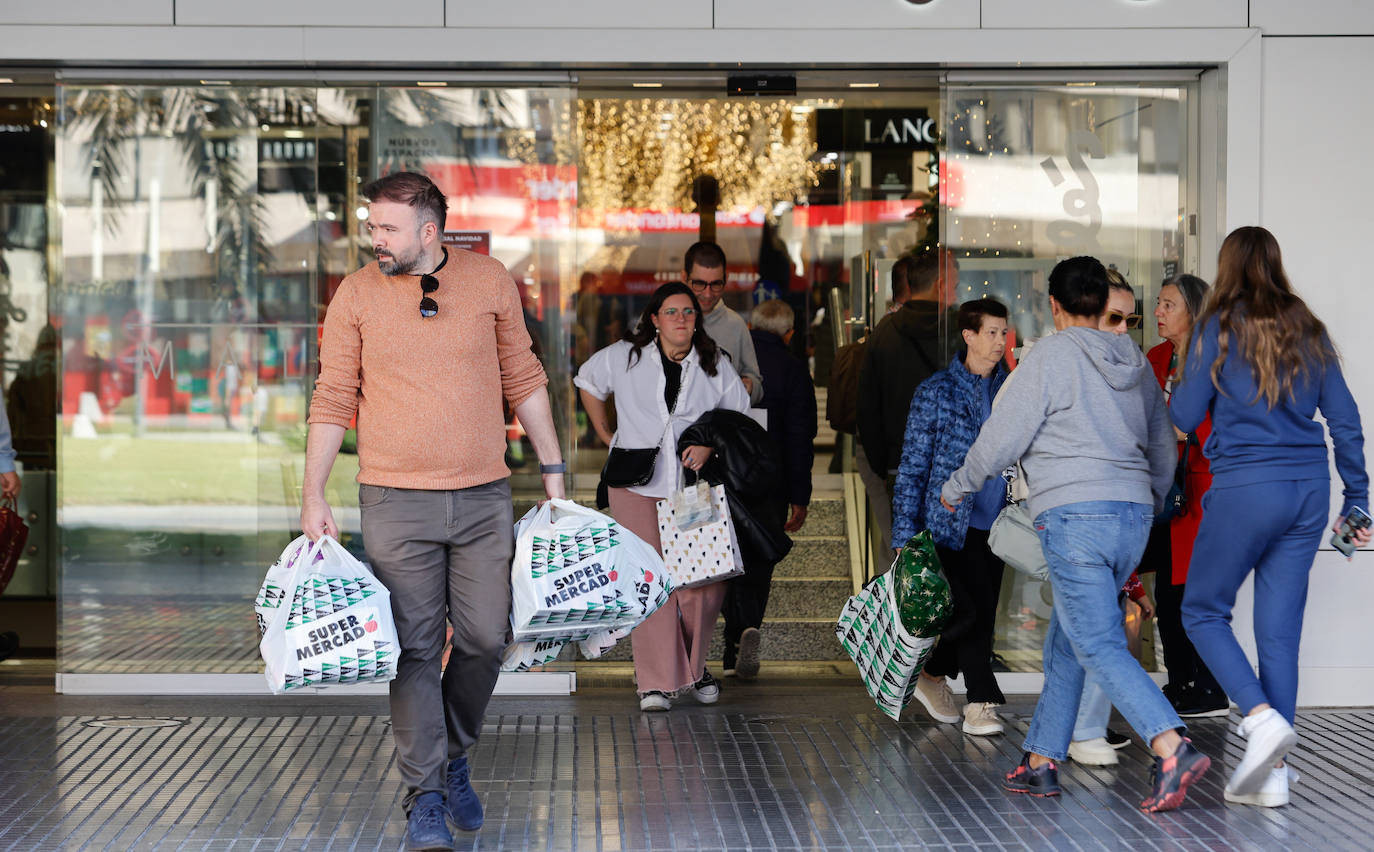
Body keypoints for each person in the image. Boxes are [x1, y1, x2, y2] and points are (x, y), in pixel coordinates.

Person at [302, 171, 566, 851]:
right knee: (416, 650)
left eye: (387, 228)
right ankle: (424, 793)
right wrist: (314, 494)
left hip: (482, 496)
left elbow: (525, 378)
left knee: (485, 637)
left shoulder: (489, 281)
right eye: (372, 225)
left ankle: (450, 753)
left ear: (429, 230)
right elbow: (333, 399)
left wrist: (555, 472)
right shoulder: (356, 294)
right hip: (394, 500)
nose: (374, 238)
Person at [941, 256, 1210, 813]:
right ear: (1102, 304)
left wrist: (958, 486)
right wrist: (1152, 499)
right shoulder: (1134, 360)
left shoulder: (1049, 358)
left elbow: (1000, 439)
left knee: (1095, 639)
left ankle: (1169, 742)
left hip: (1075, 517)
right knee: (1069, 636)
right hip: (1130, 517)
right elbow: (1162, 443)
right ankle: (1040, 762)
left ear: (1055, 305)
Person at [1175, 226, 1370, 808]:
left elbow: (1184, 414)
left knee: (1203, 610)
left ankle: (1260, 721)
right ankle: (1273, 774)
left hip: (1245, 487)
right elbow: (1346, 419)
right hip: (1308, 489)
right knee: (1279, 636)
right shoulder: (1308, 328)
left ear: (1227, 266)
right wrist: (1356, 497)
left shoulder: (1217, 327)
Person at [575, 281, 751, 712]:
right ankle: (654, 682)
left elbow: (740, 413)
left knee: (702, 588)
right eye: (671, 312)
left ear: (697, 320)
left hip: (693, 490)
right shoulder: (625, 355)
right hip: (634, 488)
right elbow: (586, 381)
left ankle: (693, 668)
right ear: (654, 318)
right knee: (651, 585)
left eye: (688, 312)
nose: (681, 319)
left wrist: (710, 443)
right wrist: (605, 434)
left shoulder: (714, 363)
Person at [891, 298, 1010, 737]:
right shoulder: (936, 390)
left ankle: (932, 673)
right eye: (991, 332)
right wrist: (904, 533)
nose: (999, 341)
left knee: (978, 611)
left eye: (1004, 333)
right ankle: (981, 704)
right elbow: (913, 465)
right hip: (947, 523)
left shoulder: (1011, 389)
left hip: (997, 523)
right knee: (970, 613)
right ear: (969, 335)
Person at [1067, 273, 1157, 766]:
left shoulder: (1135, 369)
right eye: (1114, 318)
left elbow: (1156, 441)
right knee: (1097, 629)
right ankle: (1155, 735)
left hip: (1117, 517)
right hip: (1073, 517)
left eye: (1132, 319)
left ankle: (1062, 738)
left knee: (1082, 629)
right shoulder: (1062, 363)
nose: (1124, 329)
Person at [721, 298, 817, 679]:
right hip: (772, 485)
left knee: (727, 559)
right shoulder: (794, 371)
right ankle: (748, 628)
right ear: (790, 334)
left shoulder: (730, 364)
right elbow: (800, 437)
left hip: (729, 478)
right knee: (760, 561)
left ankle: (732, 642)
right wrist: (800, 496)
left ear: (749, 328)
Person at [1147, 273, 1228, 719]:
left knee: (1190, 594)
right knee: (1166, 593)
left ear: (1194, 311)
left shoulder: (1214, 361)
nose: (1158, 312)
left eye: (1168, 305)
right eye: (1159, 304)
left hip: (1202, 491)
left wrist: (1181, 428)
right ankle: (1182, 681)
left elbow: (1217, 426)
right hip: (1161, 491)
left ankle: (1206, 688)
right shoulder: (1156, 357)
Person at [856, 250, 959, 551]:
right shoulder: (960, 331)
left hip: (899, 467)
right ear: (940, 285)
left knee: (909, 560)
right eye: (954, 285)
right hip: (954, 472)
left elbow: (867, 409)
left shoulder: (884, 333)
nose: (955, 293)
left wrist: (887, 464)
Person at [684, 241, 764, 406]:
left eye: (716, 284)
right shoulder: (661, 318)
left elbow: (756, 385)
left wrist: (749, 387)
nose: (707, 294)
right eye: (699, 284)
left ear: (725, 280)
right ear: (684, 278)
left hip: (719, 427)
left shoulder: (736, 325)